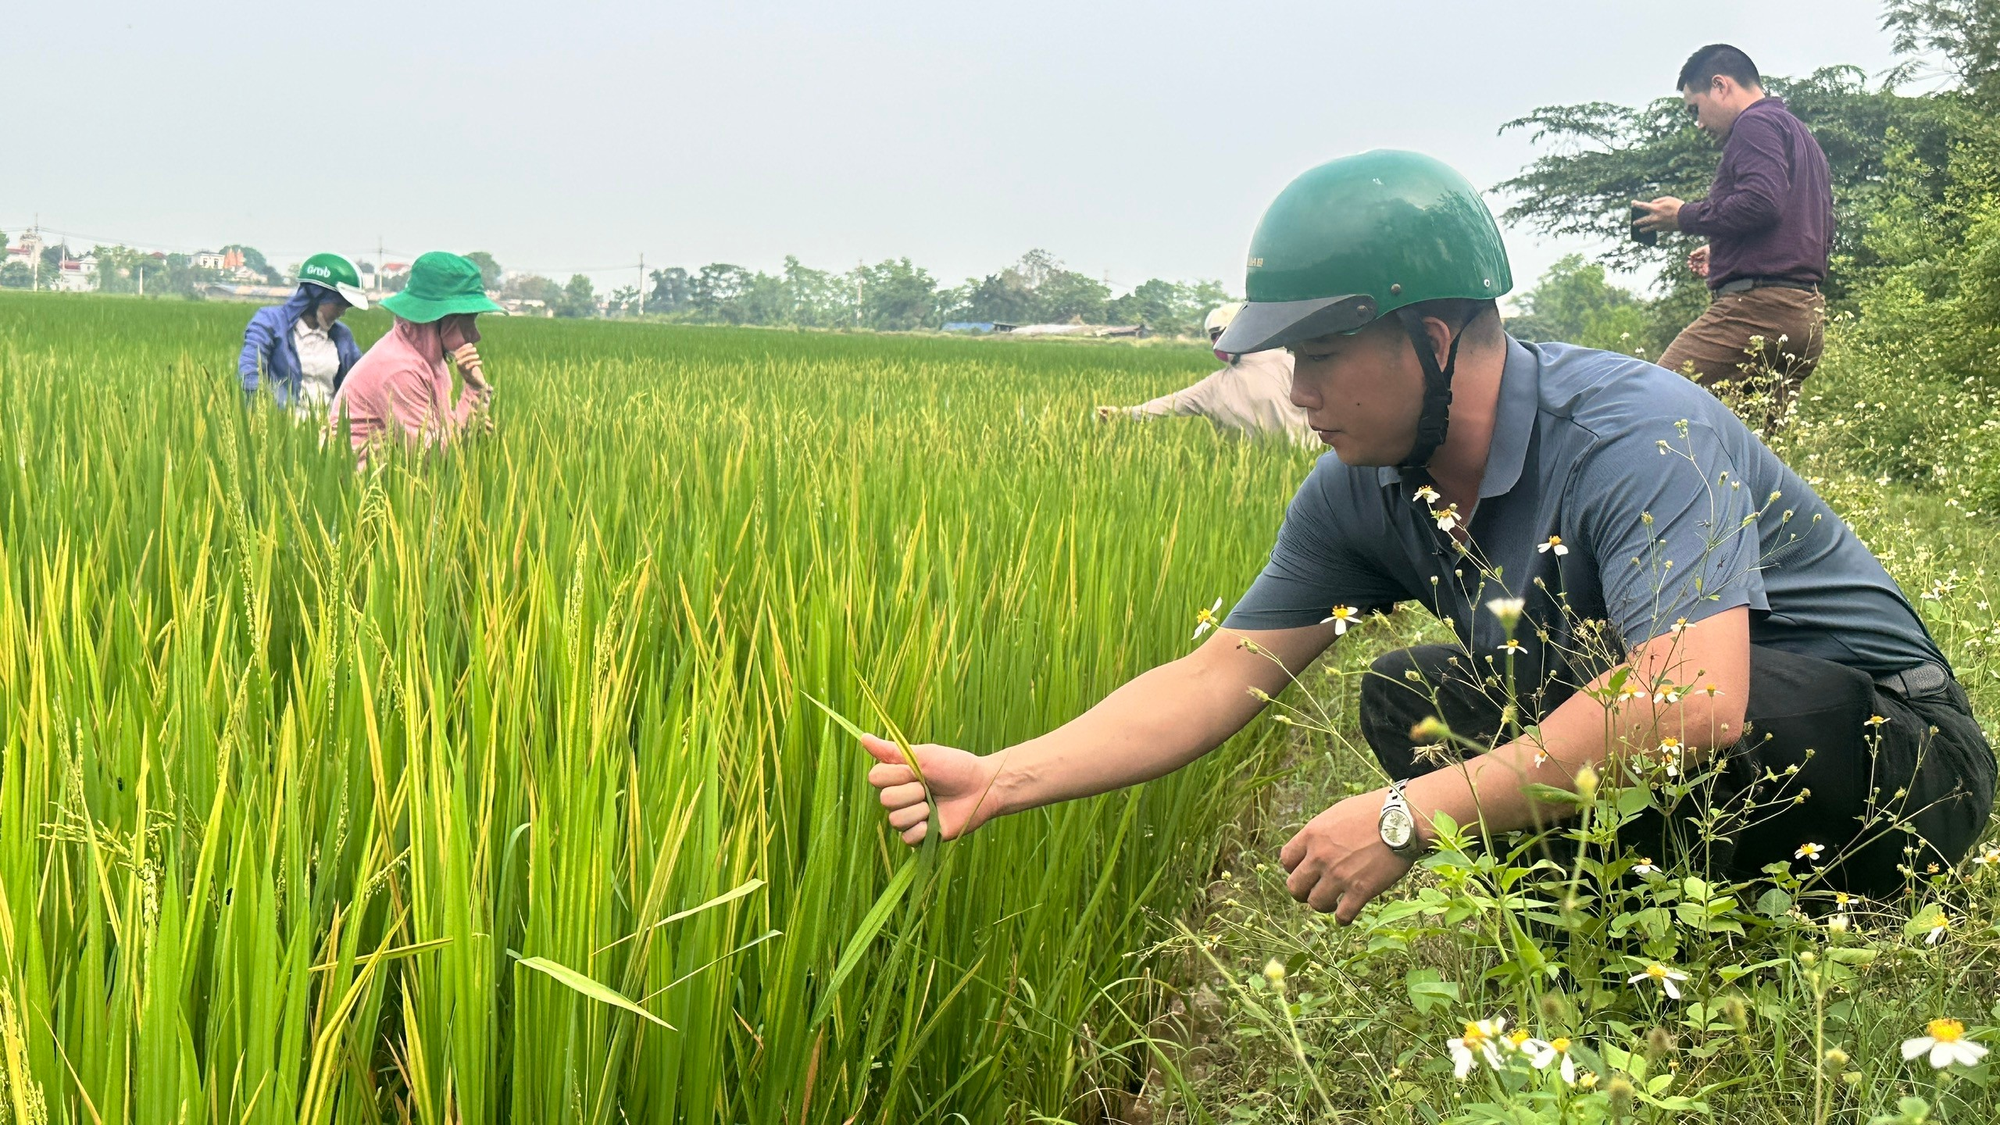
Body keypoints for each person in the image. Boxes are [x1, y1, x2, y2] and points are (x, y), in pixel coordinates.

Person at [865, 150, 1992, 919]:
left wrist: (1409, 817)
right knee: (1414, 692)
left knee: (1682, 708)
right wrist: (1003, 779)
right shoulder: (1360, 485)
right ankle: (1605, 960)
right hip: (1724, 736)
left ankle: (1759, 935)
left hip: (1892, 761)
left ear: (1437, 334)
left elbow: (1691, 703)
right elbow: (1219, 674)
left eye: (1317, 355)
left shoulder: (1633, 431)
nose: (1294, 391)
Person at [1634, 44, 1833, 432]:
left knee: (1651, 403)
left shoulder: (1753, 125)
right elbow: (1801, 223)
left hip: (1756, 313)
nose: (1698, 123)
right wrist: (1727, 250)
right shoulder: (1798, 134)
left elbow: (1761, 201)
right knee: (1746, 451)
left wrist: (1684, 215)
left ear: (1720, 85)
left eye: (1695, 108)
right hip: (1803, 317)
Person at [330, 251, 500, 466]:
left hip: (393, 476)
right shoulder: (399, 369)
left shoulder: (428, 359)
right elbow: (430, 456)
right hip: (357, 484)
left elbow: (443, 433)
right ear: (442, 319)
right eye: (467, 322)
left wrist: (475, 402)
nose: (475, 335)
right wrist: (473, 393)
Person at [1095, 305, 1313, 446]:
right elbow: (1168, 404)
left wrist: (1120, 413)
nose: (1217, 342)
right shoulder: (1214, 385)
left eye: (1221, 335)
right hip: (1268, 472)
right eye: (1214, 336)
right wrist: (1120, 413)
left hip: (1301, 469)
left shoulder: (1287, 363)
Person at [239, 253, 369, 416]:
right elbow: (251, 367)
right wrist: (263, 412)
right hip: (284, 427)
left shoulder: (341, 336)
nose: (342, 312)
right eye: (338, 305)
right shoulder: (269, 322)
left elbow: (361, 377)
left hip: (329, 429)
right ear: (316, 296)